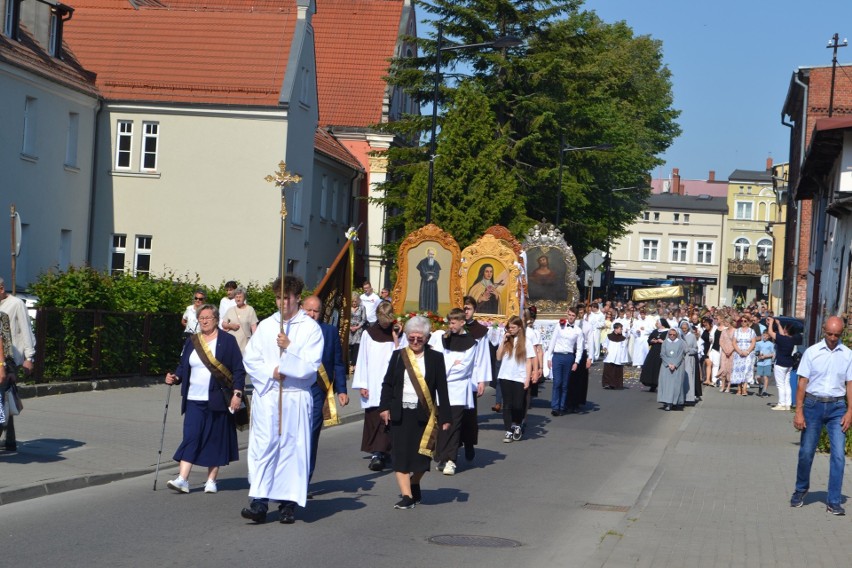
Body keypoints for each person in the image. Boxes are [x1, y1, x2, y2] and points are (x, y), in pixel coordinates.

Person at [240, 276, 322, 525]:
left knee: (291, 450)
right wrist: (271, 372)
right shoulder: (266, 326)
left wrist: (290, 347)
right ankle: (259, 502)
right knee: (265, 447)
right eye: (278, 298)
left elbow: (311, 364)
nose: (282, 302)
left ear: (297, 298)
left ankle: (288, 505)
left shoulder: (310, 328)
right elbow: (251, 358)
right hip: (269, 396)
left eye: (287, 297)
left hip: (295, 398)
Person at [165, 304, 245, 494]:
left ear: (216, 319)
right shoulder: (192, 341)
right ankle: (183, 479)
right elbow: (183, 367)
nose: (205, 321)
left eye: (208, 317)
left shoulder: (227, 341)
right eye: (201, 318)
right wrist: (175, 378)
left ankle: (211, 480)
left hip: (218, 398)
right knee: (191, 436)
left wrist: (237, 393)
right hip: (193, 398)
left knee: (214, 438)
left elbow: (238, 370)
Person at [379, 316, 451, 509]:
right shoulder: (398, 356)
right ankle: (407, 496)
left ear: (427, 338)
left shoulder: (436, 358)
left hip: (424, 414)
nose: (416, 342)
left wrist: (445, 416)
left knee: (423, 457)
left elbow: (442, 388)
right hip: (400, 412)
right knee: (400, 455)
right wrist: (384, 407)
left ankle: (414, 482)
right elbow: (387, 383)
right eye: (411, 338)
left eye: (420, 338)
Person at [790, 316, 852, 515]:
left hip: (837, 408)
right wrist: (798, 411)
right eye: (830, 334)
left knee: (839, 456)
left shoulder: (848, 355)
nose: (833, 338)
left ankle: (833, 501)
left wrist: (850, 411)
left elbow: (850, 384)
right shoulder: (812, 352)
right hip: (813, 405)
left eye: (837, 335)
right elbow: (802, 383)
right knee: (807, 452)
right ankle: (801, 489)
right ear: (823, 331)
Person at [300, 296, 349, 486]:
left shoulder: (329, 332)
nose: (312, 314)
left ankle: (304, 481)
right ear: (302, 309)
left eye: (316, 311)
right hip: (296, 390)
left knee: (311, 436)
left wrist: (342, 390)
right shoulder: (293, 331)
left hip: (318, 391)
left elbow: (338, 361)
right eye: (309, 310)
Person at [429, 308, 482, 475]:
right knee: (442, 424)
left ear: (462, 322)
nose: (450, 326)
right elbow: (435, 360)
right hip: (442, 389)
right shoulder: (443, 339)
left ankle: (451, 460)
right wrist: (453, 361)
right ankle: (442, 457)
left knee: (454, 425)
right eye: (449, 322)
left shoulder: (471, 343)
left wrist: (447, 363)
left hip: (459, 389)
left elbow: (465, 367)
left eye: (453, 323)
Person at [351, 301, 400, 471]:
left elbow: (403, 357)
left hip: (391, 383)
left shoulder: (398, 333)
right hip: (372, 381)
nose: (386, 323)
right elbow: (362, 359)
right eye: (383, 319)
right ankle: (376, 453)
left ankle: (383, 452)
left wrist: (396, 339)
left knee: (388, 419)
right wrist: (362, 384)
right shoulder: (369, 334)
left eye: (388, 319)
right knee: (374, 418)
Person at [0, 277, 35, 452]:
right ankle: (10, 440)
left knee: (5, 397)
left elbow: (26, 329)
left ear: (1, 289)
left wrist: (29, 357)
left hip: (10, 359)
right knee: (5, 399)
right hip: (2, 359)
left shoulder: (16, 304)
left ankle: (8, 438)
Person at [460, 296, 492, 459]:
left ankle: (469, 443)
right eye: (464, 308)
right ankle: (452, 447)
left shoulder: (479, 331)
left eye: (469, 309)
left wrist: (482, 381)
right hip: (454, 378)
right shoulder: (452, 327)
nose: (466, 311)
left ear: (474, 310)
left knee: (469, 414)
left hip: (471, 377)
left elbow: (483, 356)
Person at [496, 315, 534, 442]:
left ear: (519, 328)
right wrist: (503, 340)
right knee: (507, 404)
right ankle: (508, 430)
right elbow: (498, 357)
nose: (510, 330)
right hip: (505, 375)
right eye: (509, 327)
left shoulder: (526, 342)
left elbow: (529, 361)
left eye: (513, 327)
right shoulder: (507, 341)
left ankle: (517, 424)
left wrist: (528, 378)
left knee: (518, 404)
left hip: (519, 376)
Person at [545, 308, 583, 416]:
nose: (571, 317)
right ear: (567, 314)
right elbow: (552, 341)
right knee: (557, 382)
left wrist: (576, 362)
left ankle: (562, 406)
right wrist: (549, 357)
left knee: (565, 384)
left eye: (573, 315)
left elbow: (579, 348)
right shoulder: (559, 325)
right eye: (569, 315)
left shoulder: (578, 331)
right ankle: (555, 407)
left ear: (576, 317)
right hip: (557, 356)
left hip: (569, 357)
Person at [767, 316, 796, 410]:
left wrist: (771, 323)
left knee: (780, 384)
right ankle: (788, 404)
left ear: (786, 330)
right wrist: (778, 324)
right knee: (787, 383)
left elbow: (771, 333)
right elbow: (781, 334)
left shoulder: (782, 339)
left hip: (780, 364)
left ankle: (781, 404)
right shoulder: (791, 339)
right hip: (789, 364)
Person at [222, 286, 259, 353]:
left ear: (244, 298)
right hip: (231, 343)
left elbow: (254, 327)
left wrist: (255, 341)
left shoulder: (250, 309)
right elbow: (223, 324)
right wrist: (230, 326)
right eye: (236, 297)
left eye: (240, 297)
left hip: (245, 344)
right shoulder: (230, 310)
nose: (238, 299)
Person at [657, 327, 687, 411]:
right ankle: (667, 402)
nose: (672, 336)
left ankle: (674, 402)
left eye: (674, 334)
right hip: (666, 366)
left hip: (677, 366)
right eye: (670, 334)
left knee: (675, 385)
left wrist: (675, 364)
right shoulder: (665, 342)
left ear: (677, 335)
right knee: (666, 385)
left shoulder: (681, 343)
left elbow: (681, 355)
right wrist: (668, 364)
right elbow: (662, 354)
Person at [730, 317, 756, 396]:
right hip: (738, 353)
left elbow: (753, 343)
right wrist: (739, 351)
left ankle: (744, 388)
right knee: (738, 370)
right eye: (742, 321)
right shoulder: (737, 331)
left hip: (748, 353)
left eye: (745, 321)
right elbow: (734, 343)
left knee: (746, 370)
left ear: (748, 322)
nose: (743, 322)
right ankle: (739, 388)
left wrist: (747, 351)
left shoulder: (751, 331)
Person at [640, 319, 668, 392]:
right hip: (653, 351)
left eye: (658, 323)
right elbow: (649, 339)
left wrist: (662, 341)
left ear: (662, 324)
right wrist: (652, 341)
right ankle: (652, 384)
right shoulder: (655, 331)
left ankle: (660, 385)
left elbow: (670, 341)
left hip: (662, 351)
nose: (656, 324)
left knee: (658, 368)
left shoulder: (668, 332)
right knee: (650, 367)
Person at [602, 322, 630, 389]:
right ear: (615, 329)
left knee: (617, 371)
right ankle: (607, 383)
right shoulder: (609, 336)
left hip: (618, 357)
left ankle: (615, 384)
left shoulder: (623, 338)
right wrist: (605, 348)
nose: (621, 330)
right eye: (620, 329)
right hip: (610, 355)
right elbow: (605, 343)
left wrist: (623, 358)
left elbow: (624, 348)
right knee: (608, 370)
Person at [679, 321, 700, 404]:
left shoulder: (692, 336)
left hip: (689, 359)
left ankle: (688, 397)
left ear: (688, 328)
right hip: (680, 358)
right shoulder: (679, 336)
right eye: (682, 328)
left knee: (688, 379)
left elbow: (695, 349)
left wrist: (688, 350)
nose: (684, 330)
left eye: (685, 328)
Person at [416, 248, 441, 312]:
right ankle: (423, 311)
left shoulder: (436, 263)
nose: (431, 256)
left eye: (432, 254)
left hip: (433, 283)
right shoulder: (422, 262)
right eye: (430, 254)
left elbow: (437, 273)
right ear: (427, 254)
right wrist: (427, 276)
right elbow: (422, 271)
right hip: (425, 282)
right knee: (424, 296)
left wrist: (433, 277)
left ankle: (433, 311)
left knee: (432, 297)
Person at [349, 293, 366, 372]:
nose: (354, 303)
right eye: (352, 301)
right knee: (350, 347)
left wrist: (357, 327)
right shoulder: (348, 308)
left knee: (356, 347)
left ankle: (354, 364)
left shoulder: (362, 308)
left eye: (355, 301)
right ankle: (349, 363)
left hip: (358, 330)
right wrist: (349, 327)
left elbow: (363, 320)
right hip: (349, 329)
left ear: (358, 301)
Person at [754, 330, 775, 397]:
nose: (764, 337)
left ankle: (765, 391)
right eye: (763, 335)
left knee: (766, 377)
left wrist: (766, 356)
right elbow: (756, 352)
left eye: (766, 336)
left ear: (769, 337)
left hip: (767, 362)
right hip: (760, 362)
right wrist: (758, 355)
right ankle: (760, 385)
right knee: (758, 377)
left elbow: (773, 354)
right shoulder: (759, 343)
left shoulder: (771, 344)